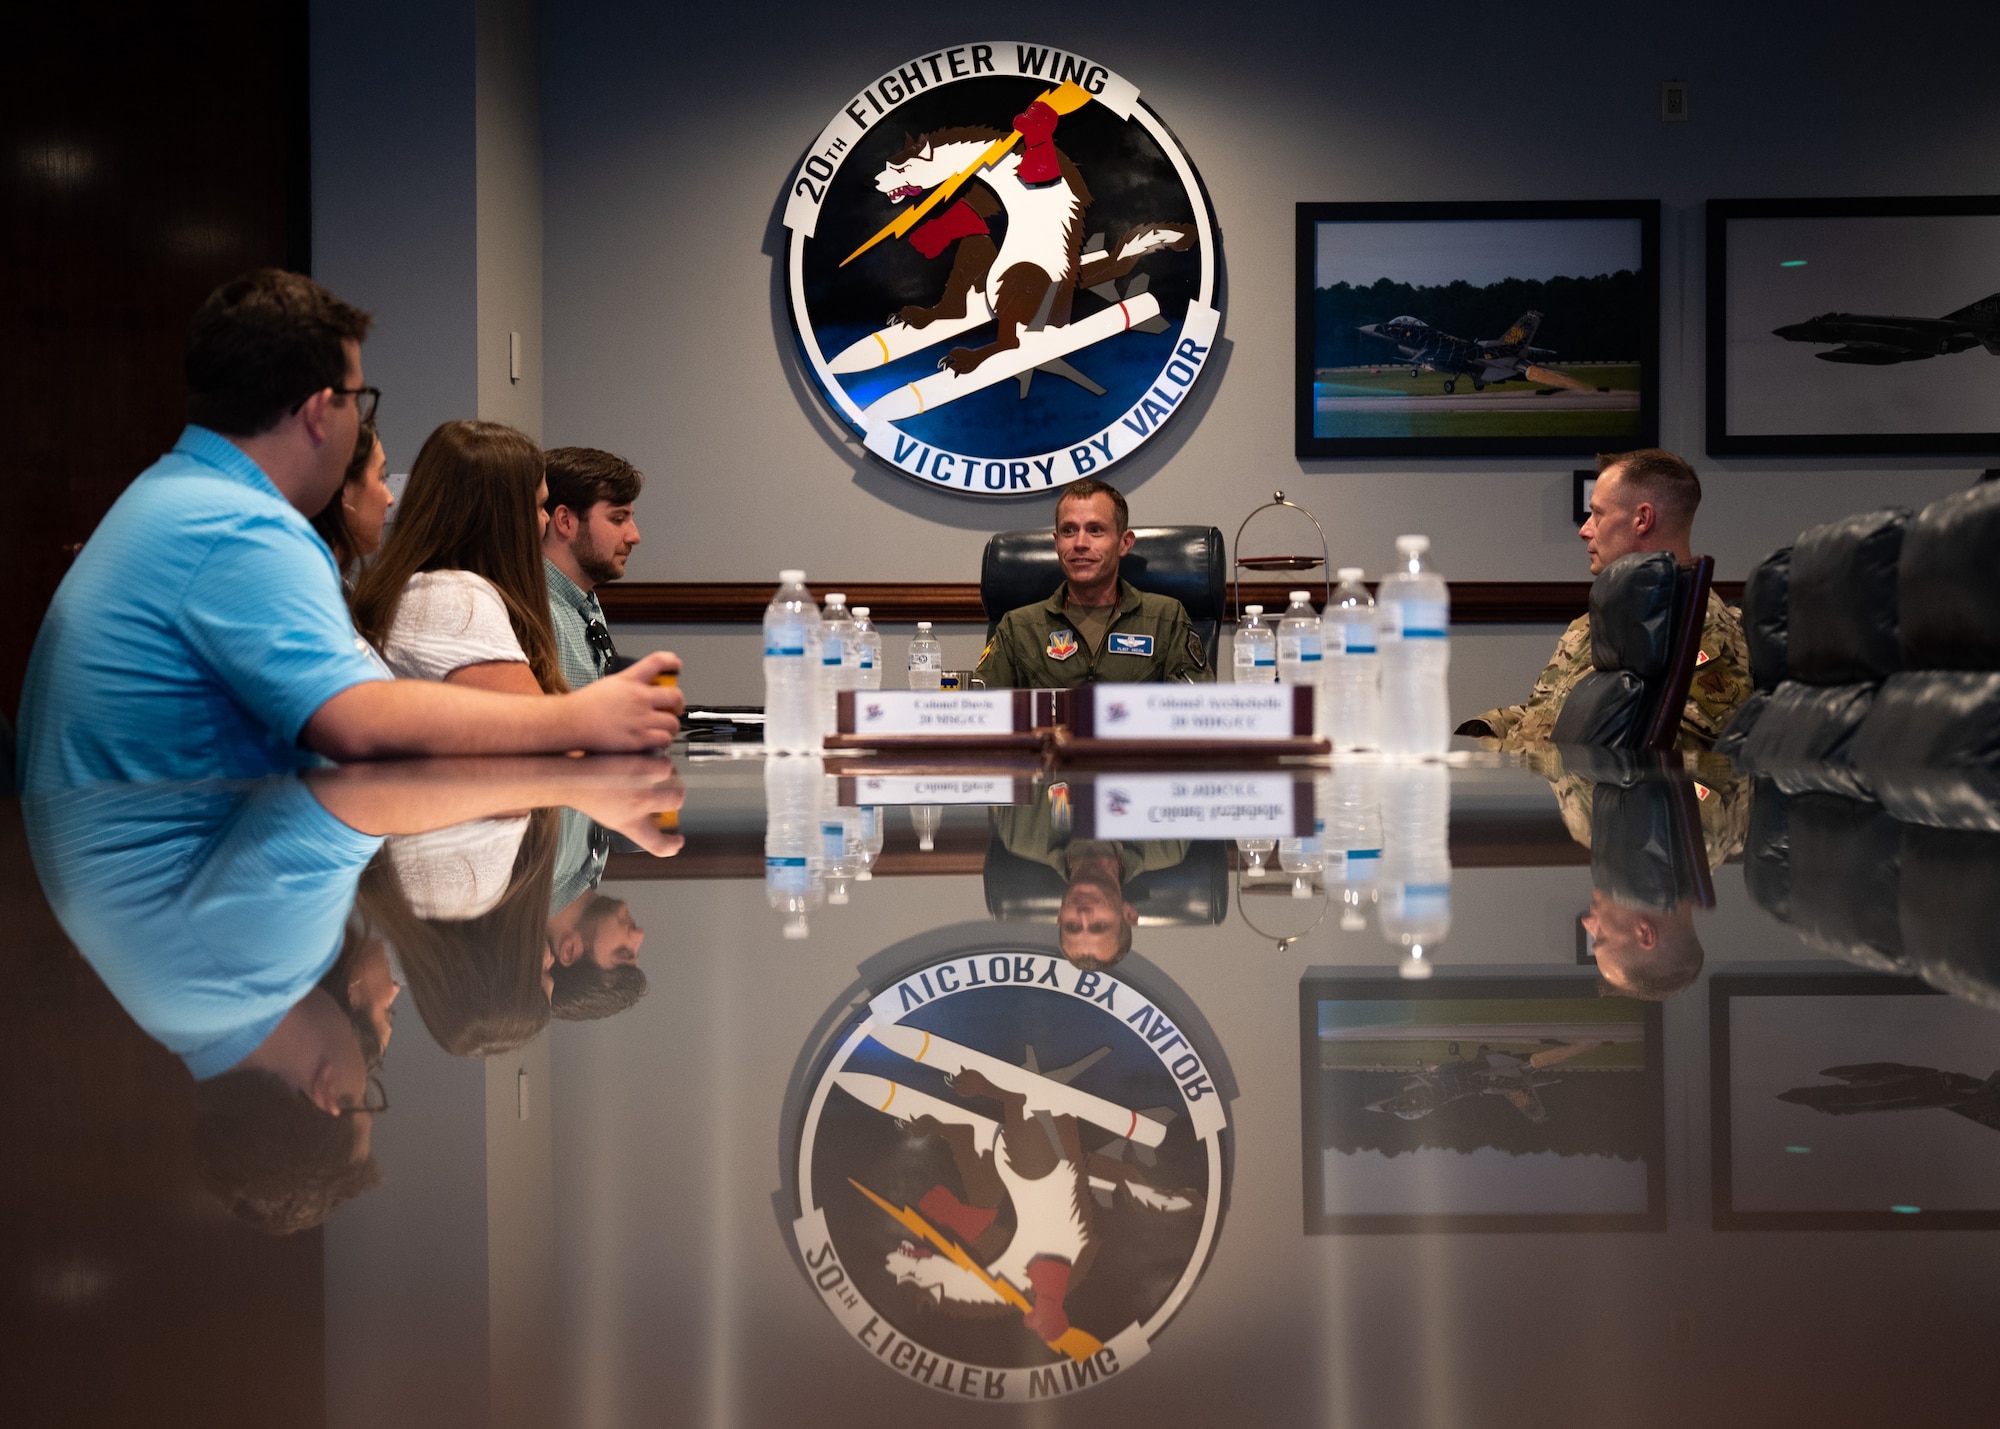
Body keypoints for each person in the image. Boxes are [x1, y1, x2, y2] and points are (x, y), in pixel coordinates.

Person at [15, 268, 683, 793]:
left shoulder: (174, 494)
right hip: (179, 919)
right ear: (317, 411)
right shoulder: (242, 529)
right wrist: (579, 717)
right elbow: (361, 722)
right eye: (358, 400)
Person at [1458, 448, 1751, 746]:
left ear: (1642, 519)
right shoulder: (1599, 620)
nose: (1584, 530)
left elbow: (1670, 759)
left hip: (1579, 787)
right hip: (1542, 781)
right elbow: (1545, 715)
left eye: (1597, 514)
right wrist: (1485, 733)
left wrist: (1508, 757)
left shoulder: (1696, 627)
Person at [351, 420, 567, 694]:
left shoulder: (420, 588)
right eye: (538, 506)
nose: (546, 519)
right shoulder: (455, 598)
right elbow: (542, 730)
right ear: (500, 522)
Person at [974, 477, 1211, 688]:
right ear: (1057, 543)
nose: (1080, 543)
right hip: (1050, 738)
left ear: (1124, 543)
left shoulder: (1166, 619)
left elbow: (1198, 712)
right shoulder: (1018, 628)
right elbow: (981, 716)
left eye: (1095, 530)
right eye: (1068, 531)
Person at [988, 780, 1190, 969]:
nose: (1083, 915)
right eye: (1099, 925)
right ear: (1127, 913)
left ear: (1060, 915)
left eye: (1072, 925)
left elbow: (997, 757)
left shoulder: (1022, 837)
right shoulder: (1166, 845)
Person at [542, 445, 644, 688]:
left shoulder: (583, 603)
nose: (634, 536)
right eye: (618, 519)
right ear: (565, 521)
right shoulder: (534, 610)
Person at [309, 418, 394, 587]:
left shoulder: (332, 585)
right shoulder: (311, 590)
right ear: (344, 489)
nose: (390, 499)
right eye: (381, 477)